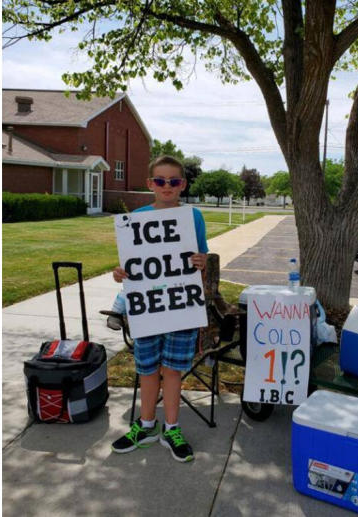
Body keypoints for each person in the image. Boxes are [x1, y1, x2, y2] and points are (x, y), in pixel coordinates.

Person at [109, 155, 208, 463]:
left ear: (183, 185)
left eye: (174, 181)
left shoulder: (193, 217)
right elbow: (130, 264)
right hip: (148, 308)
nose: (168, 187)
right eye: (161, 181)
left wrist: (202, 262)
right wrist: (119, 273)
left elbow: (200, 258)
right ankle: (148, 425)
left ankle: (172, 427)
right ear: (150, 183)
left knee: (173, 370)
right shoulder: (137, 217)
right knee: (148, 369)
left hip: (180, 307)